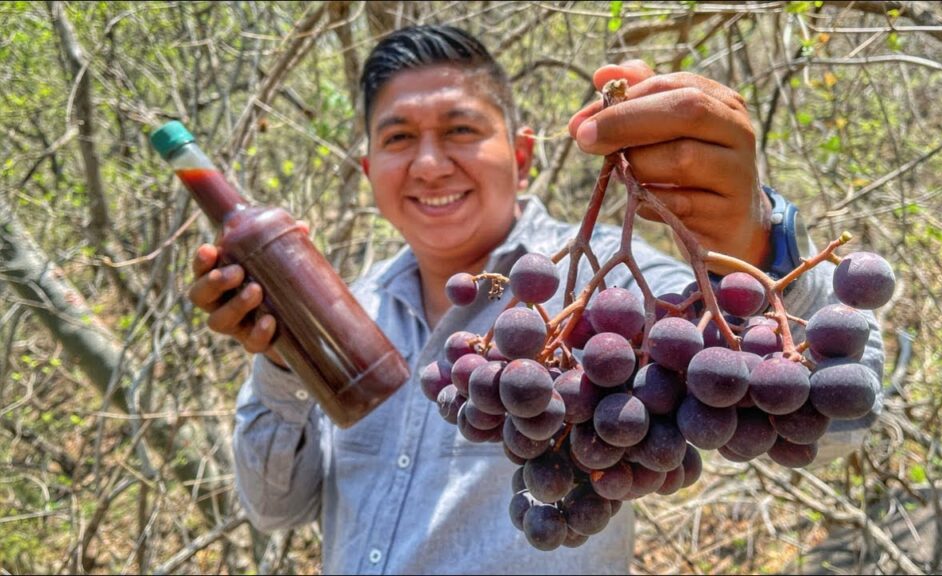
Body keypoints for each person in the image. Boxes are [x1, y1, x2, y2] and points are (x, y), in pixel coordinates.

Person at [187, 25, 883, 575]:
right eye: (399, 139)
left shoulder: (613, 293)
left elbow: (842, 420)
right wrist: (283, 361)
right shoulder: (347, 310)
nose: (429, 164)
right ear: (369, 169)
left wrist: (756, 240)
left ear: (521, 154)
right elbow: (276, 510)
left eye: (461, 131)